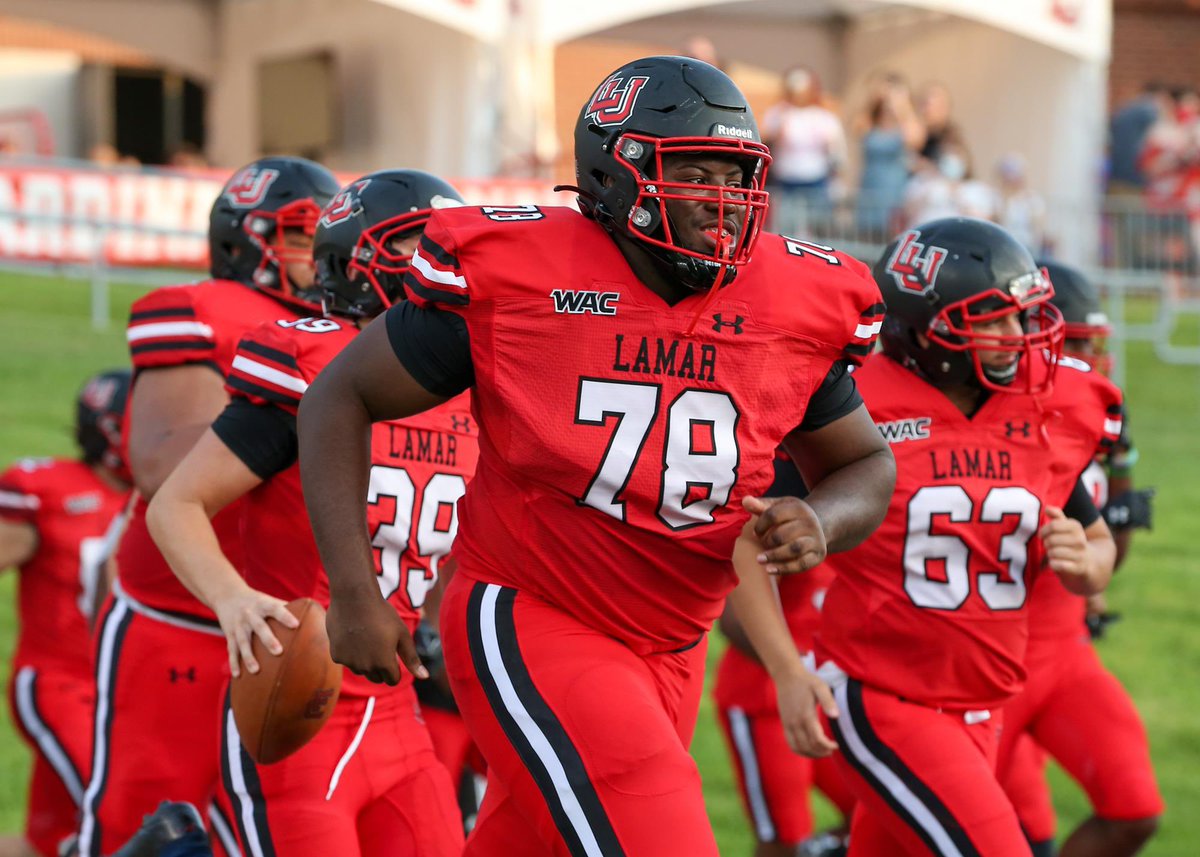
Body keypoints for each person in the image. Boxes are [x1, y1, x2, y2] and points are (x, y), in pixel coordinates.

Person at [297, 55, 896, 856]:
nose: (726, 200)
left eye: (738, 173)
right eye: (695, 173)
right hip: (534, 610)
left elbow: (866, 464)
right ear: (614, 177)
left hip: (676, 643)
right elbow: (339, 397)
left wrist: (821, 519)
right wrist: (353, 591)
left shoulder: (788, 300)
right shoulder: (522, 274)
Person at [146, 170, 473, 857]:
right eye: (420, 247)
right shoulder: (312, 357)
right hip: (299, 710)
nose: (441, 269)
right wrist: (232, 599)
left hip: (398, 715)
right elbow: (175, 503)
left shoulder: (471, 379)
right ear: (356, 260)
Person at [781, 217, 1122, 855]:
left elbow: (1097, 546)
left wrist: (1086, 567)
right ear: (924, 330)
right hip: (886, 695)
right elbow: (749, 534)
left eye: (1021, 316)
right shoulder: (857, 407)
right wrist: (784, 669)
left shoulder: (1040, 408)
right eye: (991, 319)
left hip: (981, 703)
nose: (1016, 337)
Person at [78, 156, 340, 857]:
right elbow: (161, 461)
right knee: (145, 823)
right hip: (183, 614)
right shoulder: (204, 308)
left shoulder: (357, 333)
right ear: (242, 241)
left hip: (293, 628)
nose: (319, 254)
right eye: (299, 235)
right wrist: (303, 405)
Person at [995, 260, 1162, 857]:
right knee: (1003, 835)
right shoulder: (995, 417)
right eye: (1081, 346)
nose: (1096, 363)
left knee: (1135, 810)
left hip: (1064, 649)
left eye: (1098, 347)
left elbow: (1110, 535)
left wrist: (1099, 552)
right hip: (985, 655)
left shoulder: (1105, 416)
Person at [0, 371, 132, 857]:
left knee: (46, 844)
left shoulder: (168, 493)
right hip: (60, 685)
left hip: (123, 696)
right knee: (120, 817)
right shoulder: (48, 491)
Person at [712, 451, 856, 857]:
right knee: (783, 838)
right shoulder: (784, 492)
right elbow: (732, 621)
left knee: (872, 810)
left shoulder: (865, 501)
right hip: (765, 696)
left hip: (829, 696)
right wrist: (797, 668)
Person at [761, 65, 847, 237]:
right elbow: (766, 142)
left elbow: (837, 152)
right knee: (786, 230)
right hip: (786, 181)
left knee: (819, 230)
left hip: (816, 181)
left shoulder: (824, 117)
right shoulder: (777, 114)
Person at [854, 74, 924, 238]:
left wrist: (902, 106)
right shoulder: (872, 121)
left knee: (893, 237)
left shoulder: (907, 121)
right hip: (869, 188)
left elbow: (915, 139)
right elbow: (857, 127)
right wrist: (874, 98)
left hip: (894, 190)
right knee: (866, 239)